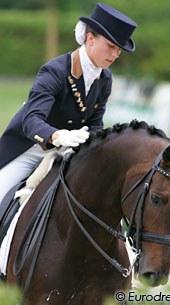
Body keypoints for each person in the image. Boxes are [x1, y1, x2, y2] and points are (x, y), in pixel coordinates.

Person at [0, 2, 137, 204]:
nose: (115, 55)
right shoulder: (54, 71)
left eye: (119, 50)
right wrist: (57, 135)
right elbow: (32, 119)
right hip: (29, 149)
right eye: (111, 46)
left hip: (66, 153)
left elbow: (95, 124)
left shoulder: (105, 79)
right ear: (90, 39)